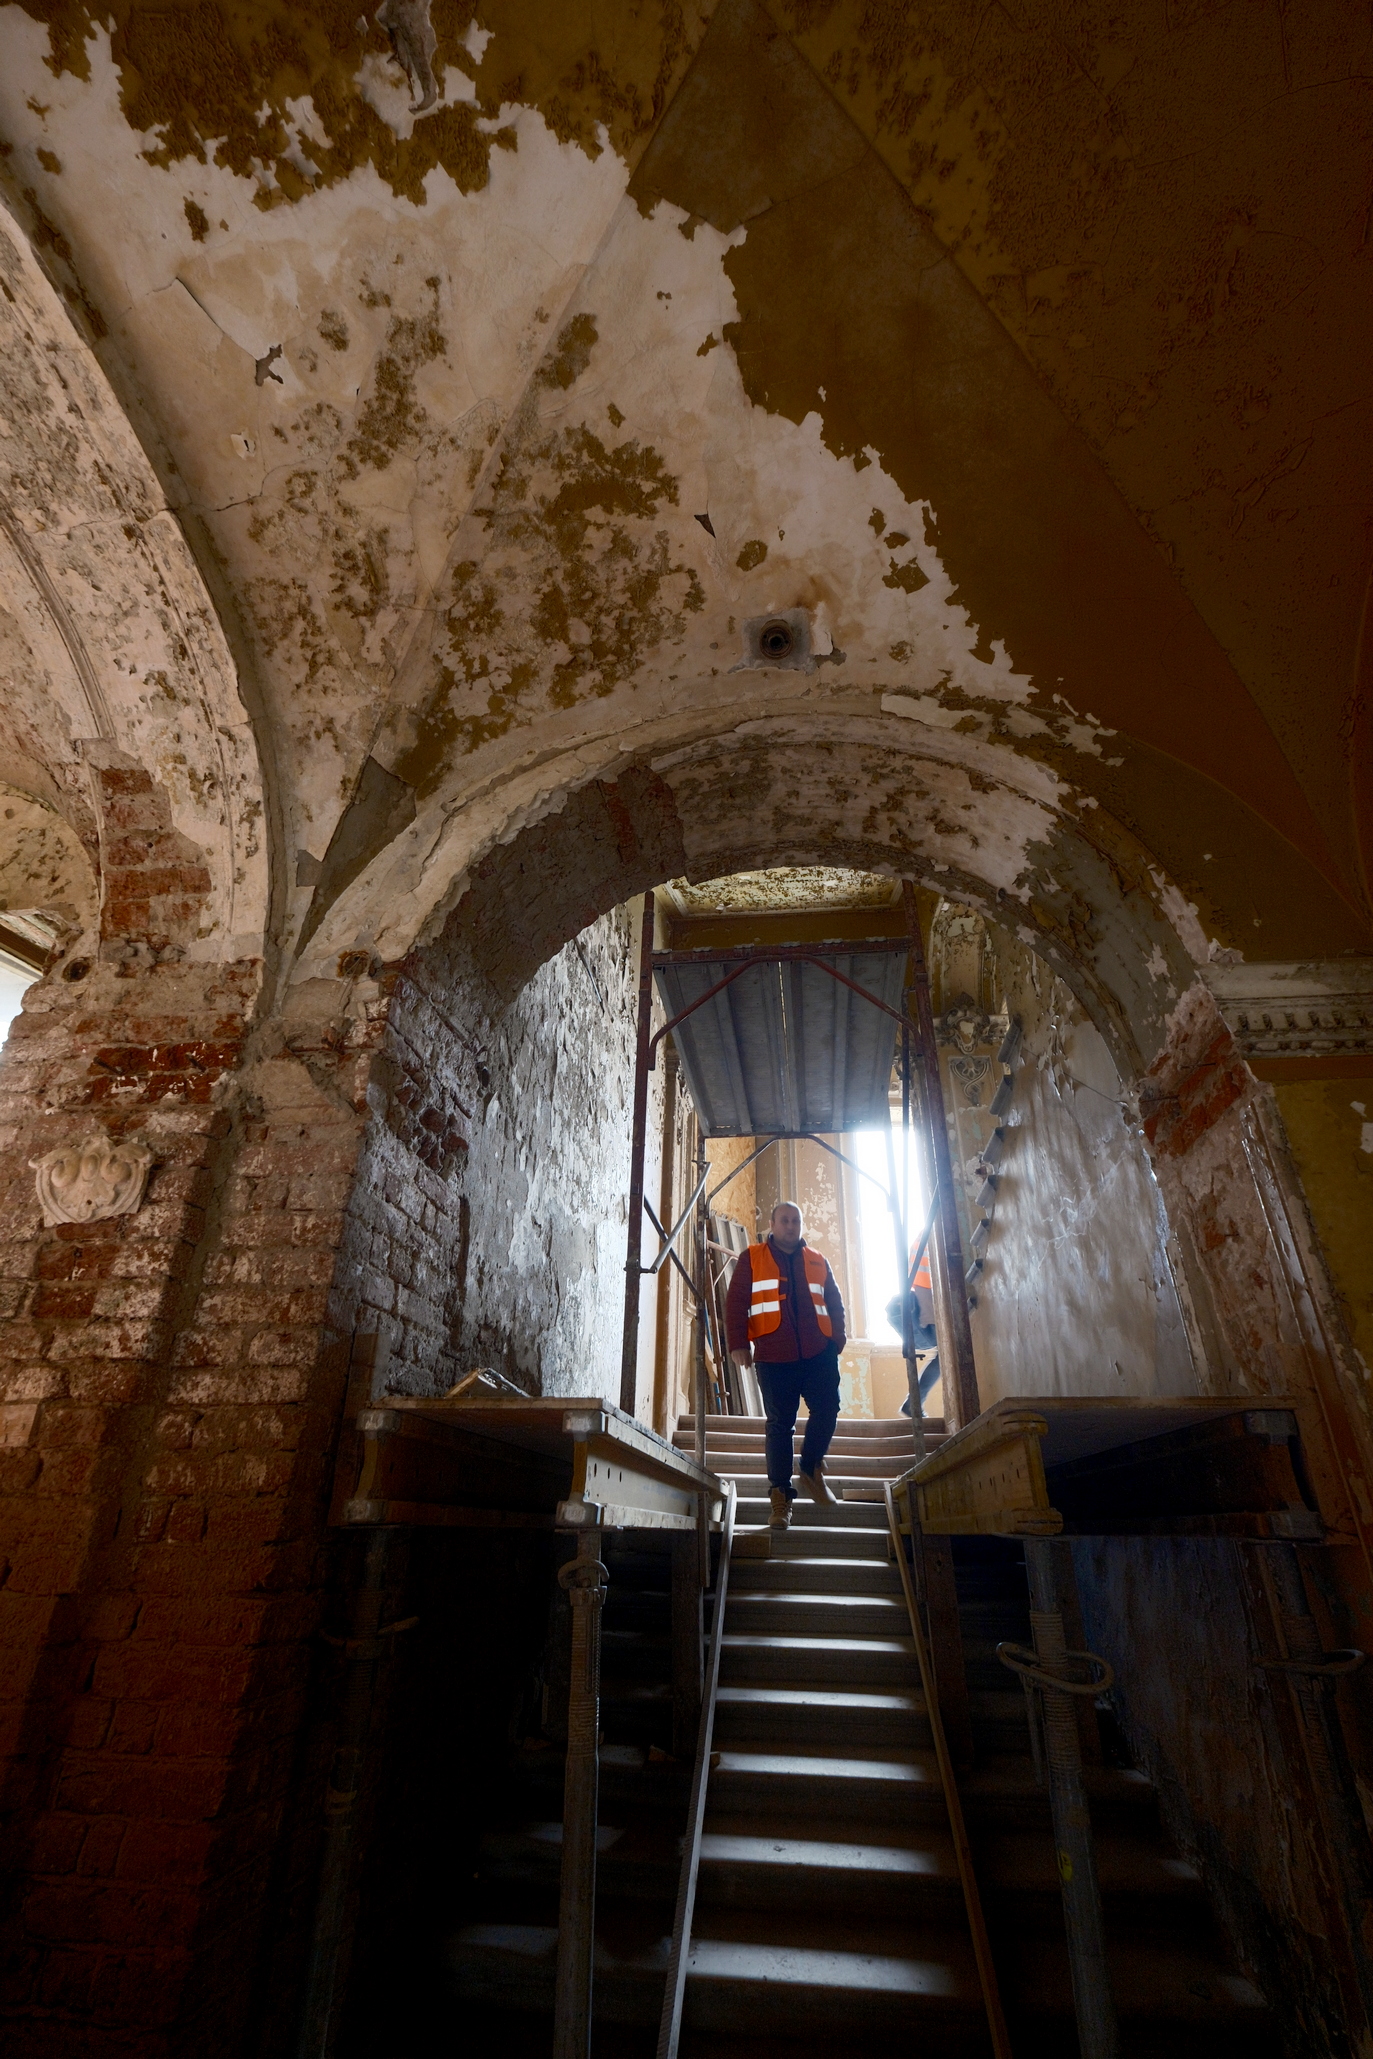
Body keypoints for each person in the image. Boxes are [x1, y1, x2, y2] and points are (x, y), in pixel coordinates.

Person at [726, 1201, 847, 1529]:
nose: (791, 1226)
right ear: (772, 1223)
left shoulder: (817, 1259)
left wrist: (837, 1339)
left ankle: (810, 1467)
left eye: (796, 1221)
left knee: (828, 1409)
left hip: (818, 1353)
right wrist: (738, 1344)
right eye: (785, 1220)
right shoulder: (752, 1258)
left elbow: (834, 1301)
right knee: (780, 1425)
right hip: (773, 1356)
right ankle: (780, 1499)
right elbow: (736, 1302)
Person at [887, 1238, 941, 1416]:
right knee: (946, 1357)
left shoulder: (921, 1240)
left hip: (930, 1307)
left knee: (944, 1357)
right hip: (935, 1307)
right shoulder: (933, 1236)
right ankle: (913, 1403)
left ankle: (913, 1402)